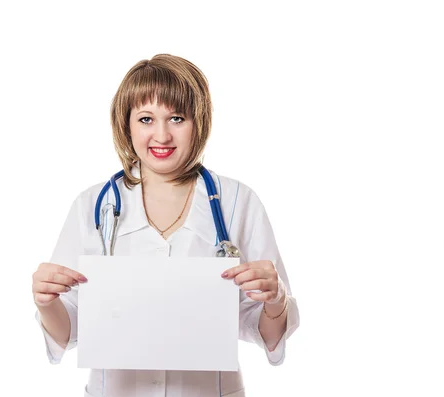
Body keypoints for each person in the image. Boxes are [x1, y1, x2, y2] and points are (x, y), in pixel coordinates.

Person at [32, 54, 300, 397]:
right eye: (146, 118)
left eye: (177, 118)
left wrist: (275, 299)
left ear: (198, 122)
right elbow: (68, 332)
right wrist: (45, 302)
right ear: (126, 125)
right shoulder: (93, 205)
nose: (162, 135)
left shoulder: (237, 202)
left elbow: (270, 336)